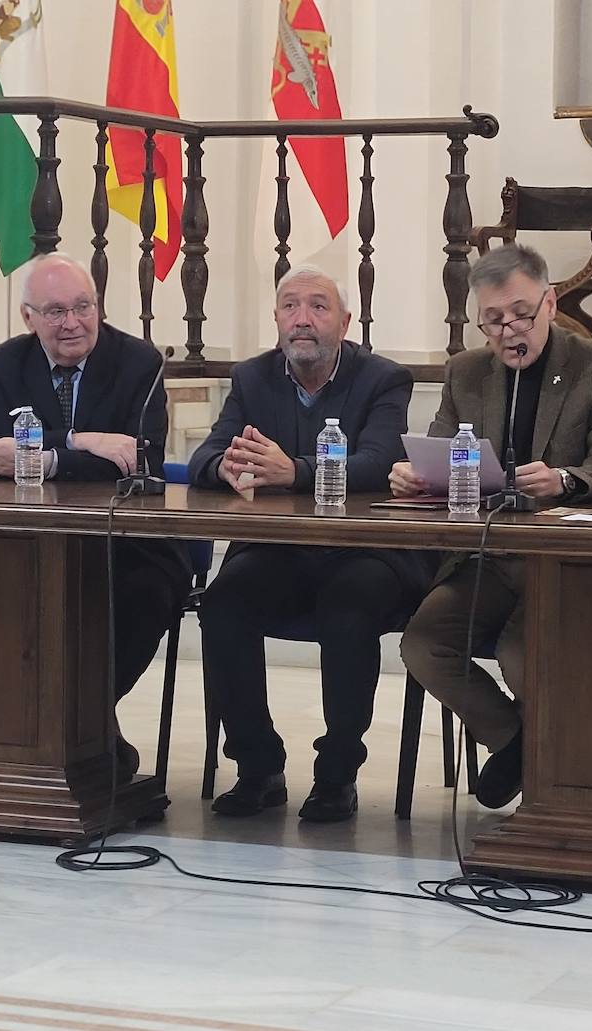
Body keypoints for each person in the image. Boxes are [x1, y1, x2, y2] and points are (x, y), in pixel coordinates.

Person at [186, 265, 432, 823]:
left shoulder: (383, 379)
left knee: (347, 607)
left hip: (366, 553)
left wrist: (291, 471)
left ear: (344, 323)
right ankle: (258, 766)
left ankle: (337, 772)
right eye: (290, 307)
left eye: (318, 307)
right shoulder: (252, 378)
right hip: (279, 551)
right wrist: (226, 466)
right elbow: (204, 456)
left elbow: (377, 464)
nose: (303, 319)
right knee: (224, 603)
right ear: (276, 320)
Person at [394, 243, 592, 810]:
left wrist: (566, 480)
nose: (509, 331)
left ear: (550, 303)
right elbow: (442, 448)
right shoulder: (466, 372)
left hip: (562, 562)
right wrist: (414, 475)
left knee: (523, 649)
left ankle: (567, 791)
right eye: (494, 320)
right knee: (424, 644)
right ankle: (522, 744)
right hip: (483, 557)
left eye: (521, 314)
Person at [0, 251, 193, 783]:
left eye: (82, 307)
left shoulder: (139, 362)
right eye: (54, 312)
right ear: (28, 318)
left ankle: (74, 730)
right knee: (9, 595)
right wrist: (80, 440)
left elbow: (139, 458)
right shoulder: (7, 363)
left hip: (131, 545)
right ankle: (47, 746)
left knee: (142, 596)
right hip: (42, 543)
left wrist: (42, 455)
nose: (71, 322)